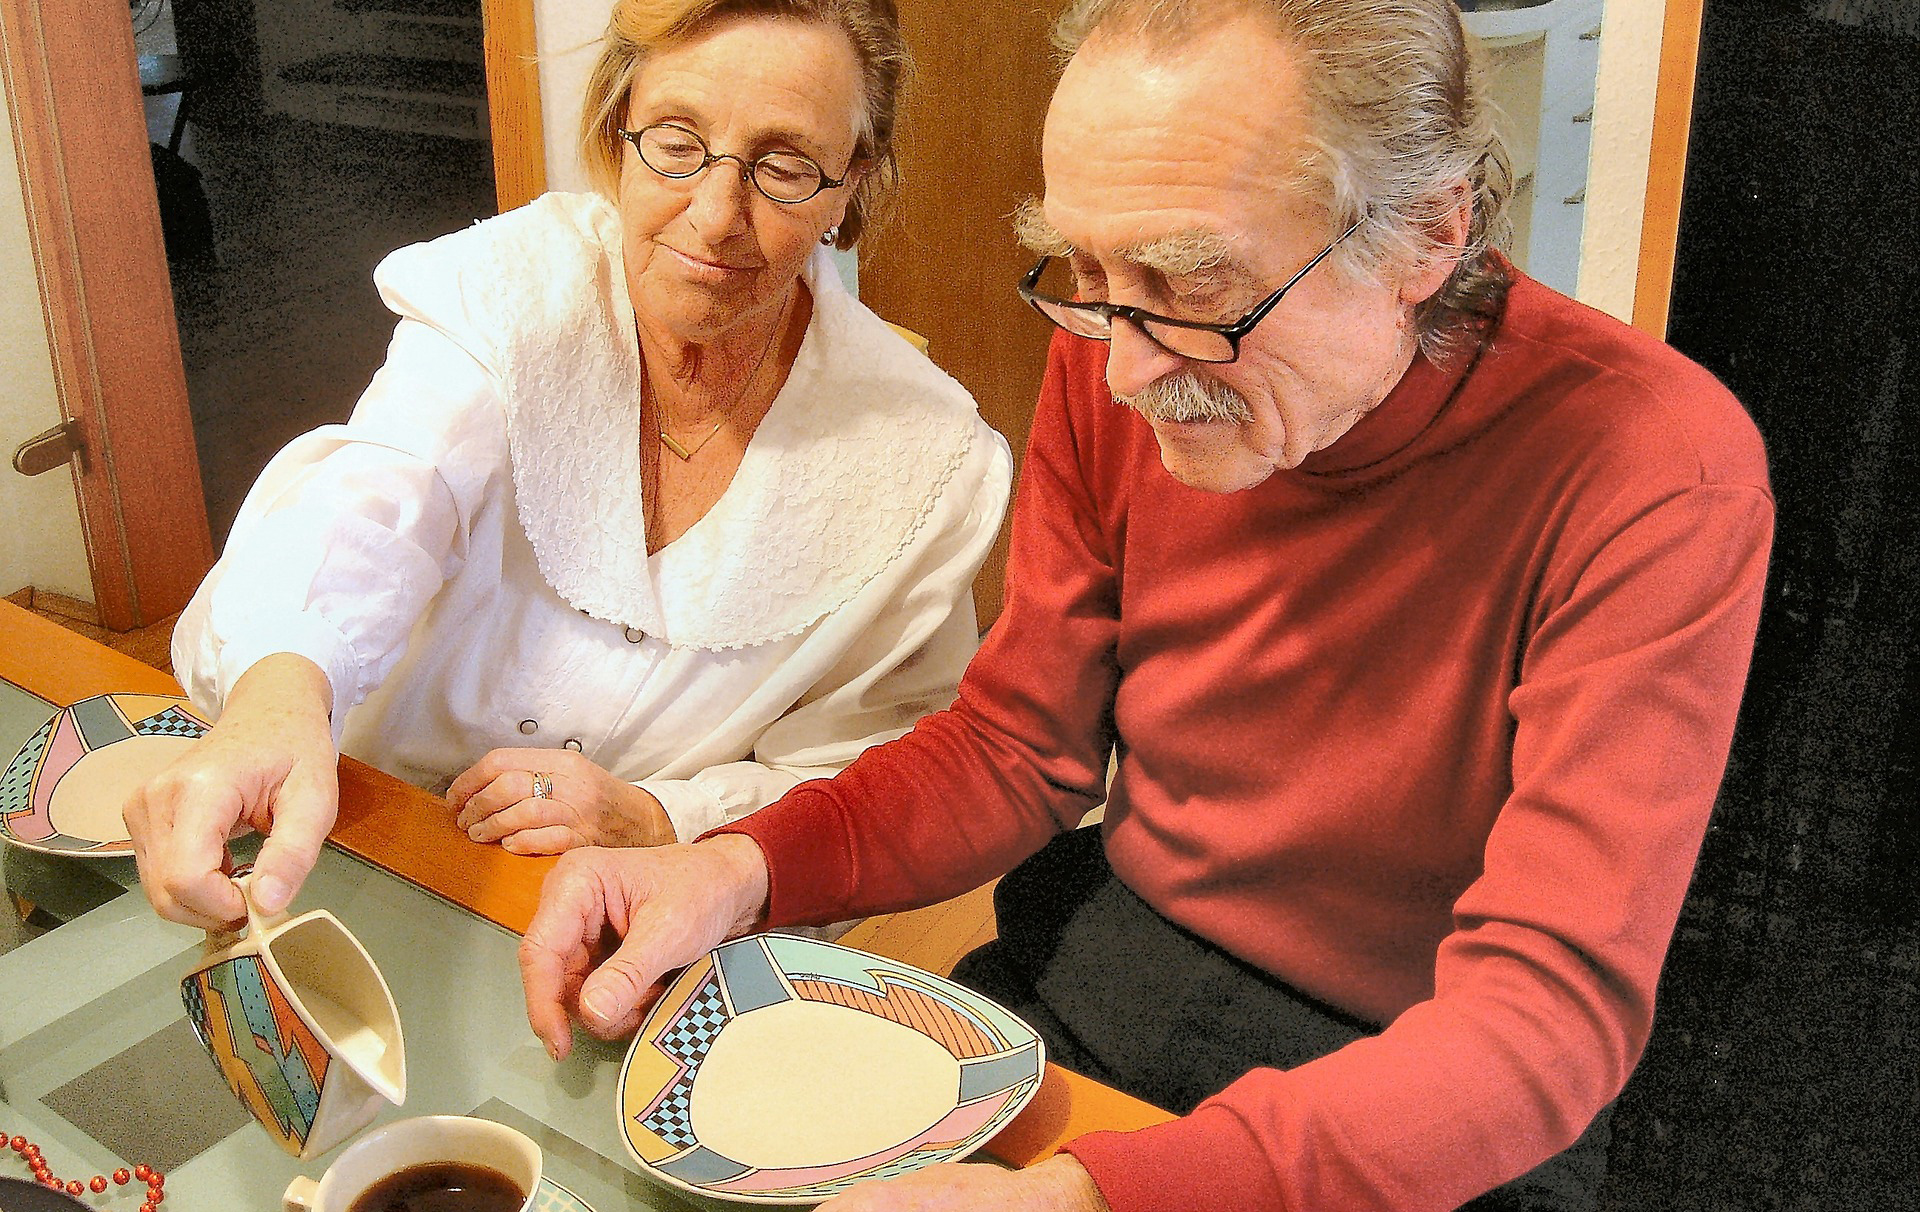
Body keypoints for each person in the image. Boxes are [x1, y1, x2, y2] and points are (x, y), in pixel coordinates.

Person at [516, 0, 1773, 1209]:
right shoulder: (1118, 342)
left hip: (1429, 1058)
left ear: (1431, 234)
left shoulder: (1653, 468)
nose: (1122, 367)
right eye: (1087, 269)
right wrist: (743, 864)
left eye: (1191, 284)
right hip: (1124, 953)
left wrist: (1096, 1198)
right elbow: (1018, 745)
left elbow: (1543, 1015)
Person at [125, 0, 1012, 931]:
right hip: (355, 831)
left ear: (851, 184)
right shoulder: (515, 290)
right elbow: (379, 495)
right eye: (675, 141)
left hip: (639, 922)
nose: (714, 219)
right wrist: (280, 697)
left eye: (785, 168)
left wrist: (659, 819)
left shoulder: (928, 462)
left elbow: (872, 764)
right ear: (616, 124)